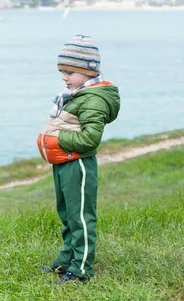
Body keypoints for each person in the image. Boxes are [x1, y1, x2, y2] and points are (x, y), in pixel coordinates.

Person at [36, 34, 120, 283]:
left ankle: (81, 269)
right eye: (62, 71)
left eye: (70, 72)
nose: (64, 77)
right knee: (66, 213)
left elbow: (90, 140)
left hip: (78, 164)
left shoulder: (94, 99)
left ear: (87, 71)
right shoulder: (75, 95)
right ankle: (66, 260)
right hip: (64, 162)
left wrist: (57, 139)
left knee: (81, 217)